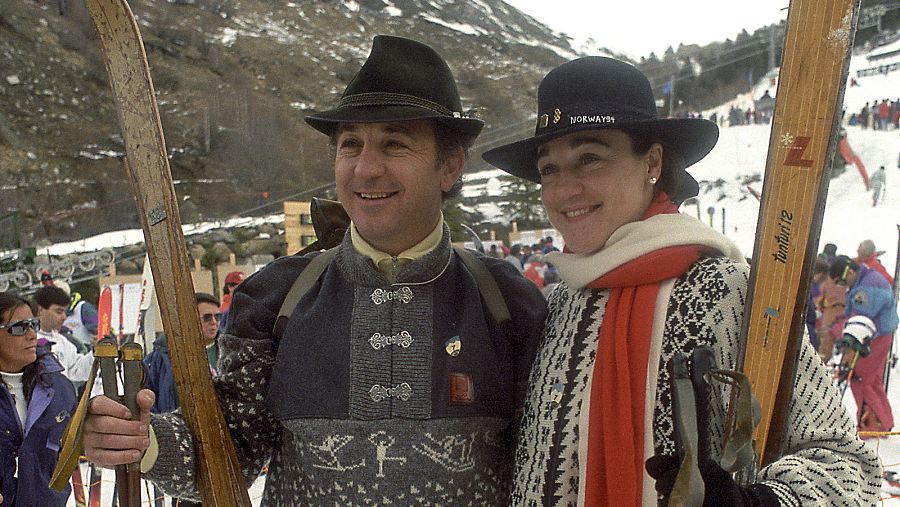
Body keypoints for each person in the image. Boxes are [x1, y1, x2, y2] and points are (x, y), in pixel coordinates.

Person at [83, 35, 547, 505]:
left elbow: (542, 463)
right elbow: (229, 454)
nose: (366, 169)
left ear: (450, 166)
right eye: (351, 145)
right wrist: (143, 441)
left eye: (394, 144)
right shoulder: (275, 297)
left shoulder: (507, 301)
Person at [482, 56, 881, 505]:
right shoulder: (559, 303)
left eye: (589, 159)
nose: (562, 190)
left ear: (652, 161)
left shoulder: (725, 289)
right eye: (548, 169)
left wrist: (751, 503)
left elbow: (849, 470)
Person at [0, 292, 76, 506]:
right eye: (19, 328)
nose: (32, 335)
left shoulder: (57, 387)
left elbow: (73, 445)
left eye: (33, 324)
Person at [830, 255, 898, 435]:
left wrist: (840, 331)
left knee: (860, 378)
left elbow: (861, 317)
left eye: (842, 281)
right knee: (872, 380)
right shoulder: (866, 279)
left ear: (849, 271)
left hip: (871, 337)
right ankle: (883, 422)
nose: (844, 285)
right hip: (877, 334)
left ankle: (871, 425)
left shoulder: (867, 287)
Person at [144, 293, 223, 415]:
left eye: (218, 317)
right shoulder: (160, 357)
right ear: (190, 319)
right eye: (207, 317)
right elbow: (147, 397)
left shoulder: (229, 352)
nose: (214, 322)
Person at [34, 285, 94, 392]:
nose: (64, 317)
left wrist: (95, 352)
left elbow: (78, 370)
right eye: (58, 312)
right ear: (40, 311)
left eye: (65, 312)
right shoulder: (28, 341)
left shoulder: (62, 341)